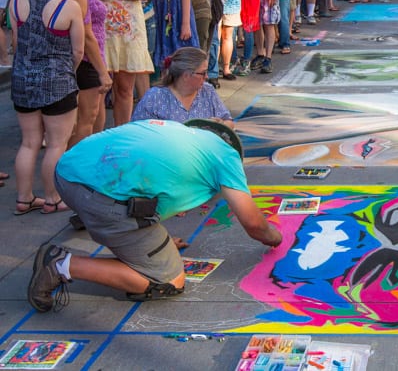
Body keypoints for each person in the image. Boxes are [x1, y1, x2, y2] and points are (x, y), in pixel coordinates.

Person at [28, 118, 283, 313]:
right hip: (98, 199)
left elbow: (153, 179)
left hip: (66, 174)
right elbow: (253, 224)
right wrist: (274, 238)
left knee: (135, 218)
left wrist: (161, 239)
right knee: (169, 280)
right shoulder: (225, 157)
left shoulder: (174, 130)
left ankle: (103, 225)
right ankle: (61, 264)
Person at [9, 0, 85, 216]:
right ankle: (52, 198)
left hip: (22, 80)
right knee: (56, 144)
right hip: (57, 82)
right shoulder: (68, 6)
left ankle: (24, 197)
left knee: (29, 143)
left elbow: (18, 42)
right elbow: (78, 50)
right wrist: (68, 71)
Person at [62, 0, 113, 147]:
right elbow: (86, 34)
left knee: (94, 119)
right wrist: (102, 71)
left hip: (92, 58)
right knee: (86, 121)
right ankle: (73, 165)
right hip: (87, 60)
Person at [132, 46, 232, 126]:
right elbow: (138, 131)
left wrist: (221, 124)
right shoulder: (155, 97)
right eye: (203, 73)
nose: (206, 77)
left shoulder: (208, 91)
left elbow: (229, 121)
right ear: (186, 75)